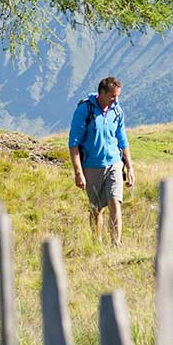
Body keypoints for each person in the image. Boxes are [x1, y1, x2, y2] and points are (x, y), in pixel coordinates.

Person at [68, 76, 133, 245]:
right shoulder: (85, 110)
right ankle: (97, 242)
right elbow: (74, 143)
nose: (116, 100)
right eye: (112, 96)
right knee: (96, 208)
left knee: (115, 202)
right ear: (102, 93)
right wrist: (78, 173)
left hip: (114, 163)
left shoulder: (117, 111)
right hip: (92, 166)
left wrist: (130, 167)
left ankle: (116, 243)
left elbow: (123, 140)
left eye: (117, 96)